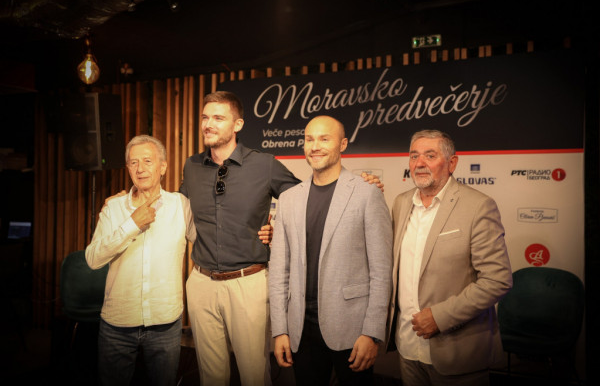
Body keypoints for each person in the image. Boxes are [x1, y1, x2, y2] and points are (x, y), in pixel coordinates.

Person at [180, 91, 383, 386]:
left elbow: (308, 201)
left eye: (218, 118)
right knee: (210, 377)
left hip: (247, 282)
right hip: (201, 282)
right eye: (205, 117)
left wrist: (279, 230)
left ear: (237, 125)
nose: (209, 124)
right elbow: (177, 209)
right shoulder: (191, 166)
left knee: (254, 376)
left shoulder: (264, 165)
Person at [268, 115, 393, 386]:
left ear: (343, 144)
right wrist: (280, 329)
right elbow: (279, 271)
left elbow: (381, 271)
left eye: (324, 139)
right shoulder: (288, 199)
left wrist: (372, 333)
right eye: (309, 139)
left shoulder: (367, 193)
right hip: (301, 329)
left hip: (352, 328)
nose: (315, 146)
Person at [385, 129, 513, 386]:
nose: (419, 163)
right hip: (407, 347)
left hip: (457, 352)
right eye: (414, 156)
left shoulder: (478, 206)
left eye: (430, 155)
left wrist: (440, 317)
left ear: (452, 163)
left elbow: (497, 280)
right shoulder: (400, 203)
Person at [85, 135, 195, 386]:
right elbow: (92, 259)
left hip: (165, 322)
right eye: (133, 163)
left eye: (147, 161)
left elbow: (207, 241)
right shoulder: (113, 208)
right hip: (118, 323)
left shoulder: (180, 205)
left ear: (163, 167)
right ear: (128, 169)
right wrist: (131, 225)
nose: (140, 168)